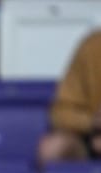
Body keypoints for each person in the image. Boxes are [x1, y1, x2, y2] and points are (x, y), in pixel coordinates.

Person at [38, 30, 101, 166]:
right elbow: (61, 112)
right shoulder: (92, 46)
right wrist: (93, 122)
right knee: (54, 148)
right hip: (92, 138)